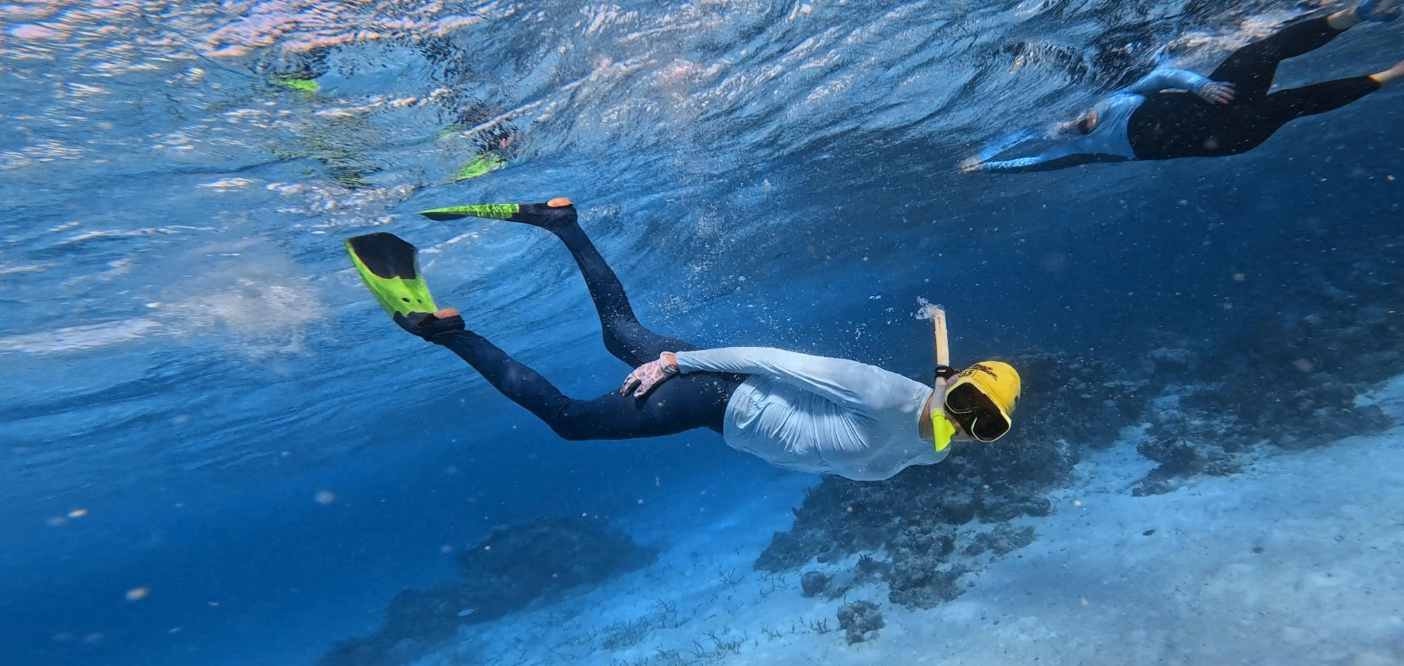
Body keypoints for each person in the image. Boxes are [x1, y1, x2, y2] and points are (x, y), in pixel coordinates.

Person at [344, 198, 1021, 481]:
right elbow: (772, 360)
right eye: (966, 401)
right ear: (952, 379)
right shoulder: (886, 394)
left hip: (729, 411)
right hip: (719, 400)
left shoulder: (934, 449)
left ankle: (562, 222)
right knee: (574, 422)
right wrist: (675, 364)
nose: (962, 422)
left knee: (618, 334)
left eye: (982, 424)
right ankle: (448, 334)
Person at [963, 0, 1404, 174]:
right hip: (1230, 136)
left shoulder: (1113, 99)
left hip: (1218, 99)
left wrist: (1201, 85)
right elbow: (1031, 157)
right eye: (1063, 127)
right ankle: (1393, 74)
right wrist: (985, 164)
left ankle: (1357, 13)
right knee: (1293, 102)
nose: (1070, 123)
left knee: (1259, 53)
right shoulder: (1080, 150)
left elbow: (1164, 75)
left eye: (1070, 117)